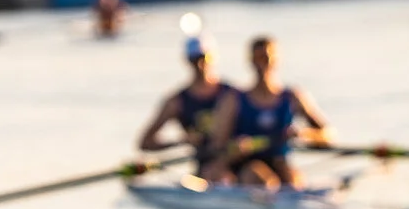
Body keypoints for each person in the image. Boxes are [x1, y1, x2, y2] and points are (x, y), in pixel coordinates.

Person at [205, 36, 332, 190]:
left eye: (266, 58)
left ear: (276, 60)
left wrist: (304, 134)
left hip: (279, 162)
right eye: (258, 58)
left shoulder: (292, 97)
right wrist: (234, 148)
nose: (262, 63)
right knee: (261, 179)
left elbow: (328, 134)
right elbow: (216, 145)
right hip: (246, 164)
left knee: (295, 182)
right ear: (250, 61)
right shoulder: (234, 100)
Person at [136, 36, 230, 175]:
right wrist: (181, 142)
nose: (200, 64)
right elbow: (145, 143)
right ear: (187, 61)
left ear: (214, 57)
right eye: (195, 59)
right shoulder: (176, 102)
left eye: (204, 58)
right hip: (206, 169)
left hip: (237, 163)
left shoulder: (233, 95)